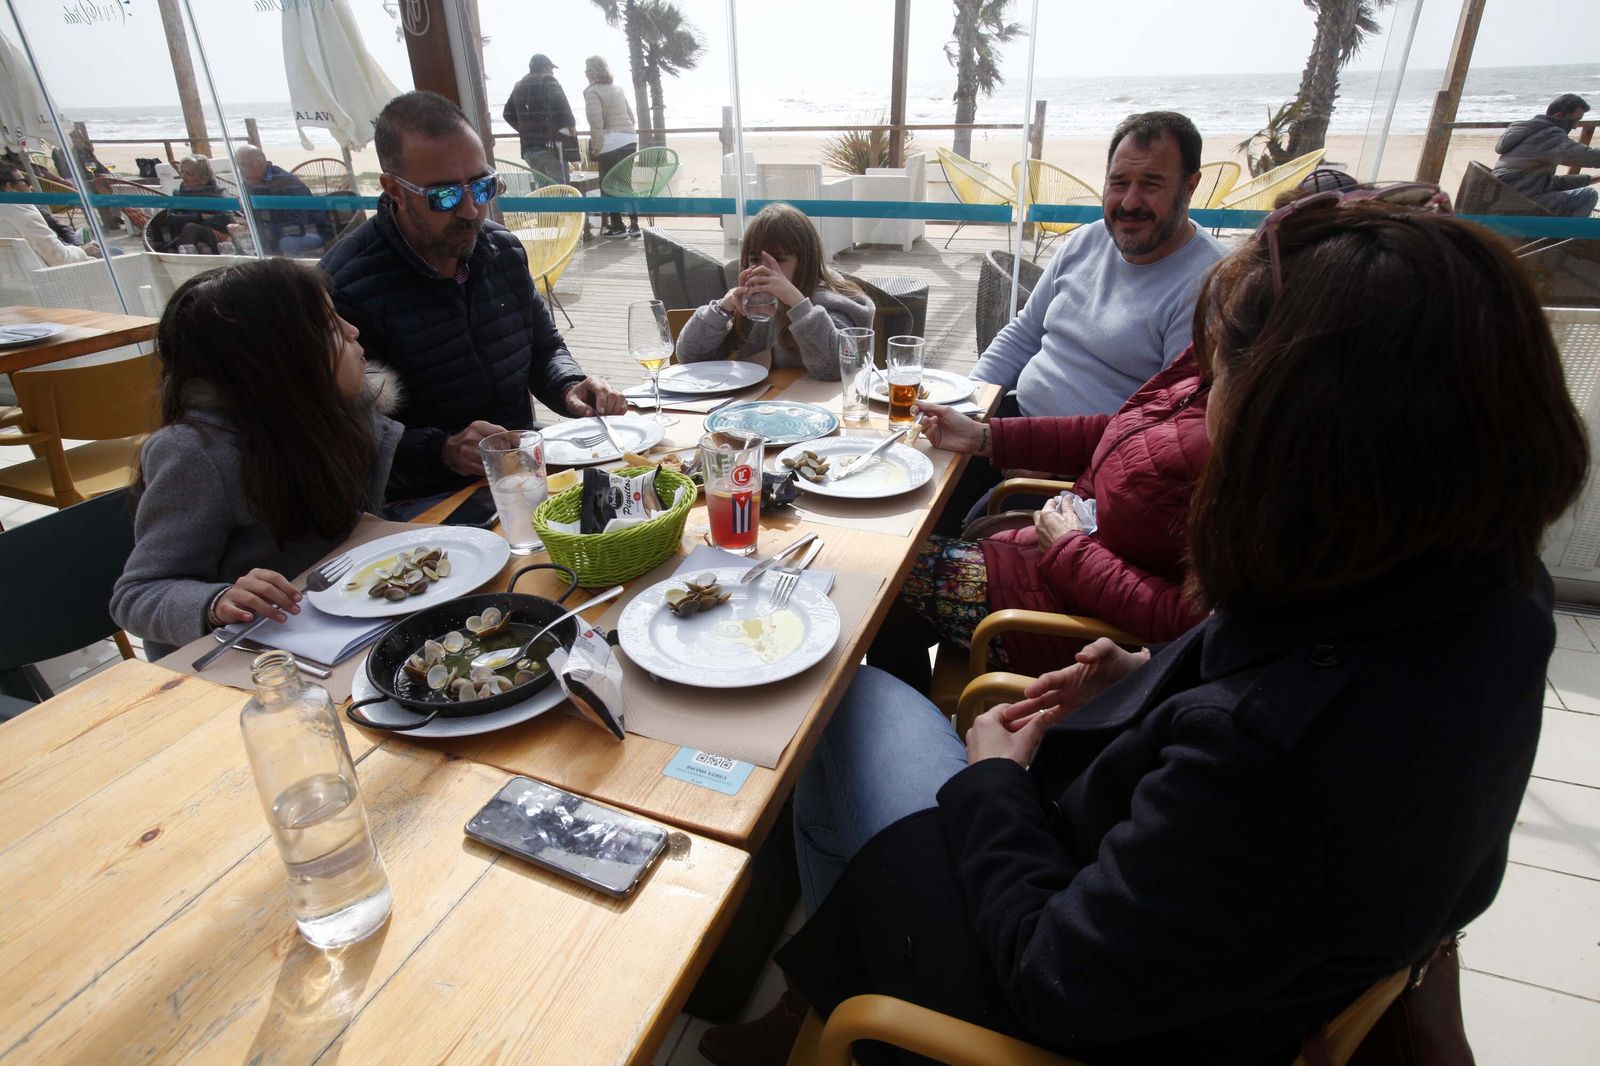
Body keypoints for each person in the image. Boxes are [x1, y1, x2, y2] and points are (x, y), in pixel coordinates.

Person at [705, 194, 1589, 1065]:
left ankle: (835, 1003)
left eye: (1228, 387)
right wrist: (1147, 676)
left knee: (839, 693)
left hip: (1018, 976)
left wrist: (995, 785)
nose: (1212, 414)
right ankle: (819, 986)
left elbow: (1056, 976)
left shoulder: (1275, 748)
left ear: (1302, 433)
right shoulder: (1492, 599)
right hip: (1174, 931)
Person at [320, 90, 623, 512]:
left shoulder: (502, 251)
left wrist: (570, 387)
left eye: (482, 187)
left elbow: (543, 347)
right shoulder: (345, 286)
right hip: (424, 504)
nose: (470, 210)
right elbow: (336, 431)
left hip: (521, 475)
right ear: (394, 189)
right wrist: (442, 449)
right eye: (443, 196)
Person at [942, 111, 1226, 533]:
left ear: (1190, 186)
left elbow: (1161, 430)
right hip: (1013, 419)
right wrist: (968, 402)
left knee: (964, 533)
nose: (1129, 202)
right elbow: (1022, 335)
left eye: (1150, 185)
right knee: (912, 488)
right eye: (1118, 183)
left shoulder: (1207, 286)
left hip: (1081, 465)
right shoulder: (1086, 241)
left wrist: (1053, 462)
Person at [865, 348, 1210, 691]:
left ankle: (903, 726)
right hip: (1047, 567)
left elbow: (1199, 629)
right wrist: (983, 436)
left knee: (883, 576)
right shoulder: (1207, 370)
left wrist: (1071, 551)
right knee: (889, 580)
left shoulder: (1248, 452)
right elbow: (1118, 432)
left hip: (1073, 626)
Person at [111, 258, 403, 661]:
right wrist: (217, 601)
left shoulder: (329, 416)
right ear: (278, 356)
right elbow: (137, 595)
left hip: (338, 632)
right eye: (330, 326)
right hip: (241, 665)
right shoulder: (196, 453)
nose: (353, 331)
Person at [676, 203, 873, 380]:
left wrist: (798, 304)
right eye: (754, 260)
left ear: (805, 262)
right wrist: (722, 309)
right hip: (754, 408)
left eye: (777, 260)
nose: (763, 269)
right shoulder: (750, 305)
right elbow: (691, 359)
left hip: (815, 411)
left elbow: (835, 368)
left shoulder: (829, 302)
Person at [1493, 93, 1600, 217]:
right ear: (1558, 116)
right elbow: (1583, 155)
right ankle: (1566, 234)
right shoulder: (1547, 135)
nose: (1576, 126)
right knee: (1587, 195)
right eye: (1575, 121)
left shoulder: (1529, 132)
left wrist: (1591, 179)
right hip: (1520, 203)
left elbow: (1545, 183)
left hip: (1508, 197)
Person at [234, 145, 334, 256]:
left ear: (261, 163)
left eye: (245, 165)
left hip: (313, 231)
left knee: (287, 243)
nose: (241, 171)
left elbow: (299, 224)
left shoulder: (287, 183)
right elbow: (250, 213)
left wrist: (266, 230)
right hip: (276, 234)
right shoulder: (250, 183)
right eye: (238, 166)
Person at [0, 162, 102, 265]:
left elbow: (59, 229)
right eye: (25, 181)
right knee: (111, 253)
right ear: (10, 187)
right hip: (53, 275)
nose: (30, 187)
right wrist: (83, 251)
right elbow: (59, 258)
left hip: (19, 276)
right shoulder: (22, 212)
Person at [583, 55, 638, 237]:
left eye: (586, 71)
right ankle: (635, 225)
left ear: (591, 73)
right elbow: (632, 117)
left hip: (611, 144)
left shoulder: (592, 92)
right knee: (624, 183)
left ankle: (618, 226)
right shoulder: (618, 89)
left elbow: (596, 122)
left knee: (608, 185)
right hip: (629, 140)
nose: (585, 75)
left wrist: (597, 146)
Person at [504, 54, 576, 185]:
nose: (552, 72)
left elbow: (507, 113)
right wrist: (571, 125)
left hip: (529, 149)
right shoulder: (548, 80)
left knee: (545, 191)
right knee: (561, 191)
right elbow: (560, 102)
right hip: (550, 146)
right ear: (545, 67)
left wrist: (524, 129)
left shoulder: (519, 85)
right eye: (551, 68)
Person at [155, 155, 235, 254]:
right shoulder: (178, 193)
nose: (183, 177)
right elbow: (170, 219)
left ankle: (182, 260)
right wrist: (200, 217)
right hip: (183, 235)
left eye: (189, 174)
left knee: (191, 228)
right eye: (182, 172)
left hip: (214, 236)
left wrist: (188, 220)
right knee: (189, 228)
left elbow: (226, 218)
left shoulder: (218, 192)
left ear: (204, 177)